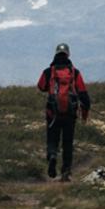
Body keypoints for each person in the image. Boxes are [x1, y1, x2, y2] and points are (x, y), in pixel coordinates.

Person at [37, 43, 91, 180]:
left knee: (52, 138)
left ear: (55, 53)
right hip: (70, 114)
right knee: (68, 143)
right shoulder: (74, 72)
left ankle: (52, 155)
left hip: (53, 112)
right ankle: (66, 171)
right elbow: (83, 95)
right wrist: (84, 114)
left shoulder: (48, 72)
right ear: (68, 54)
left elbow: (41, 86)